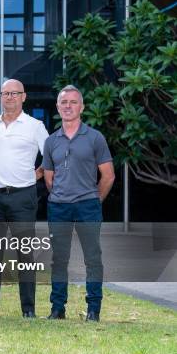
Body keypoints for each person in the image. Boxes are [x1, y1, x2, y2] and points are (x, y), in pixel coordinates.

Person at [0, 79, 49, 318]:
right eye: (5, 93)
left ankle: (28, 309)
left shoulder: (35, 126)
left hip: (23, 197)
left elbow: (51, 157)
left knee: (25, 254)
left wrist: (34, 175)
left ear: (23, 97)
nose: (9, 97)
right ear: (1, 97)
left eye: (14, 93)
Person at [43, 85, 114, 322]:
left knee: (92, 258)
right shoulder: (51, 141)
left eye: (73, 102)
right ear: (57, 107)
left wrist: (95, 199)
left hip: (87, 206)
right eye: (64, 102)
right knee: (59, 259)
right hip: (59, 207)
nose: (68, 106)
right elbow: (49, 178)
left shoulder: (95, 138)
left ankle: (93, 309)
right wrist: (62, 195)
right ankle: (57, 308)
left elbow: (108, 175)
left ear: (82, 107)